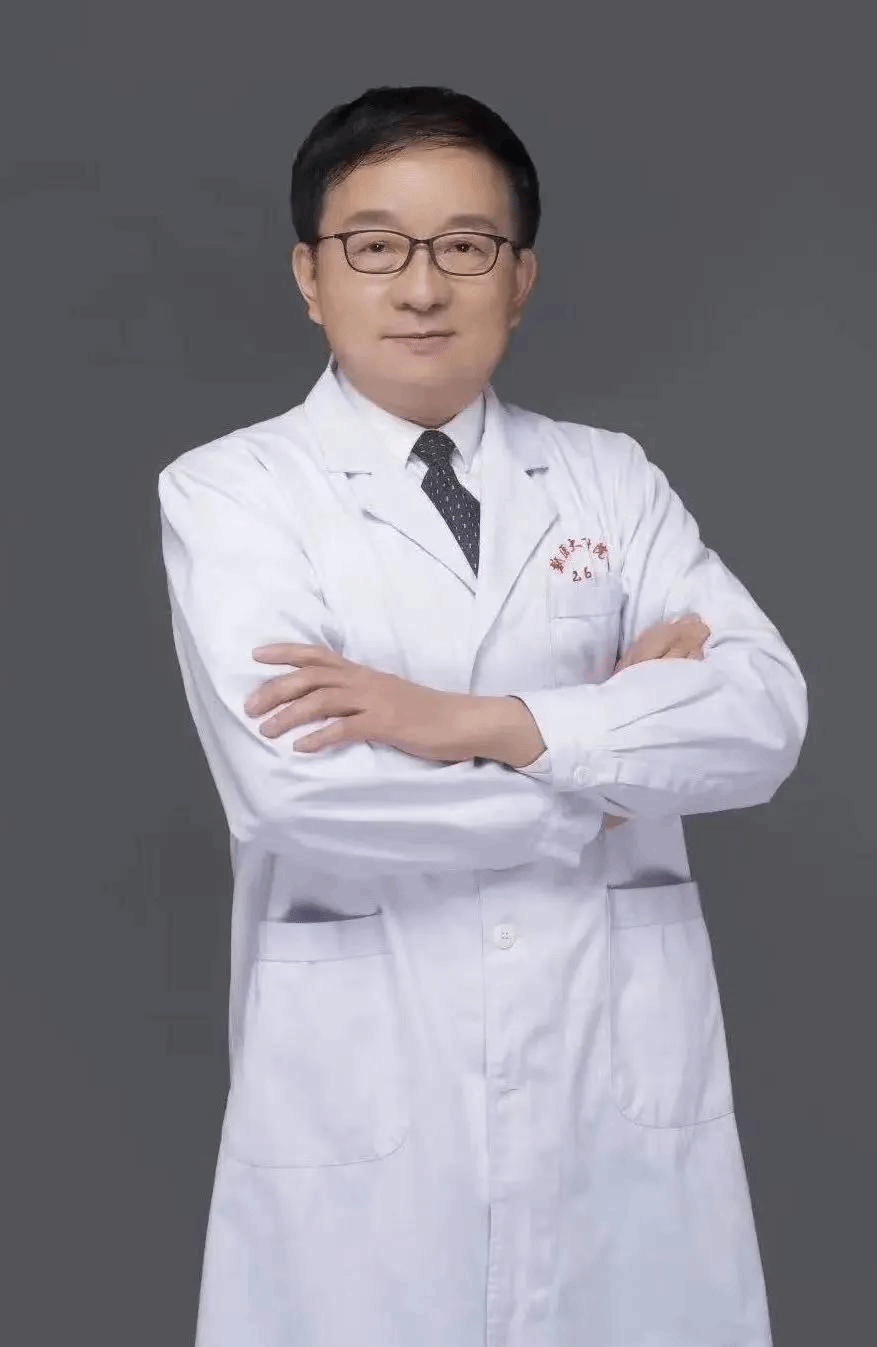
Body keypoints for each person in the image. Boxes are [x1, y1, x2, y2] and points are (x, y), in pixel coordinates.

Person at [158, 84, 808, 1347]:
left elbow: (759, 721)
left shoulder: (608, 478)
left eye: (464, 246)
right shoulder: (234, 491)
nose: (420, 288)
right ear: (309, 275)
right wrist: (604, 771)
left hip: (609, 1082)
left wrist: (475, 722)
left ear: (518, 278)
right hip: (368, 1093)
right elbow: (300, 790)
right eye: (374, 246)